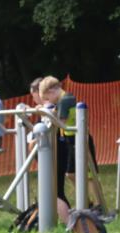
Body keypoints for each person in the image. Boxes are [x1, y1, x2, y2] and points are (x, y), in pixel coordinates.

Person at [38, 76, 99, 221]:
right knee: (71, 173)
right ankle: (87, 201)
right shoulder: (63, 100)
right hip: (72, 139)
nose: (49, 101)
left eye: (47, 98)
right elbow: (57, 114)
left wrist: (44, 113)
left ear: (51, 91)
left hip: (79, 139)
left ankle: (97, 204)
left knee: (88, 174)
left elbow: (61, 122)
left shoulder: (65, 100)